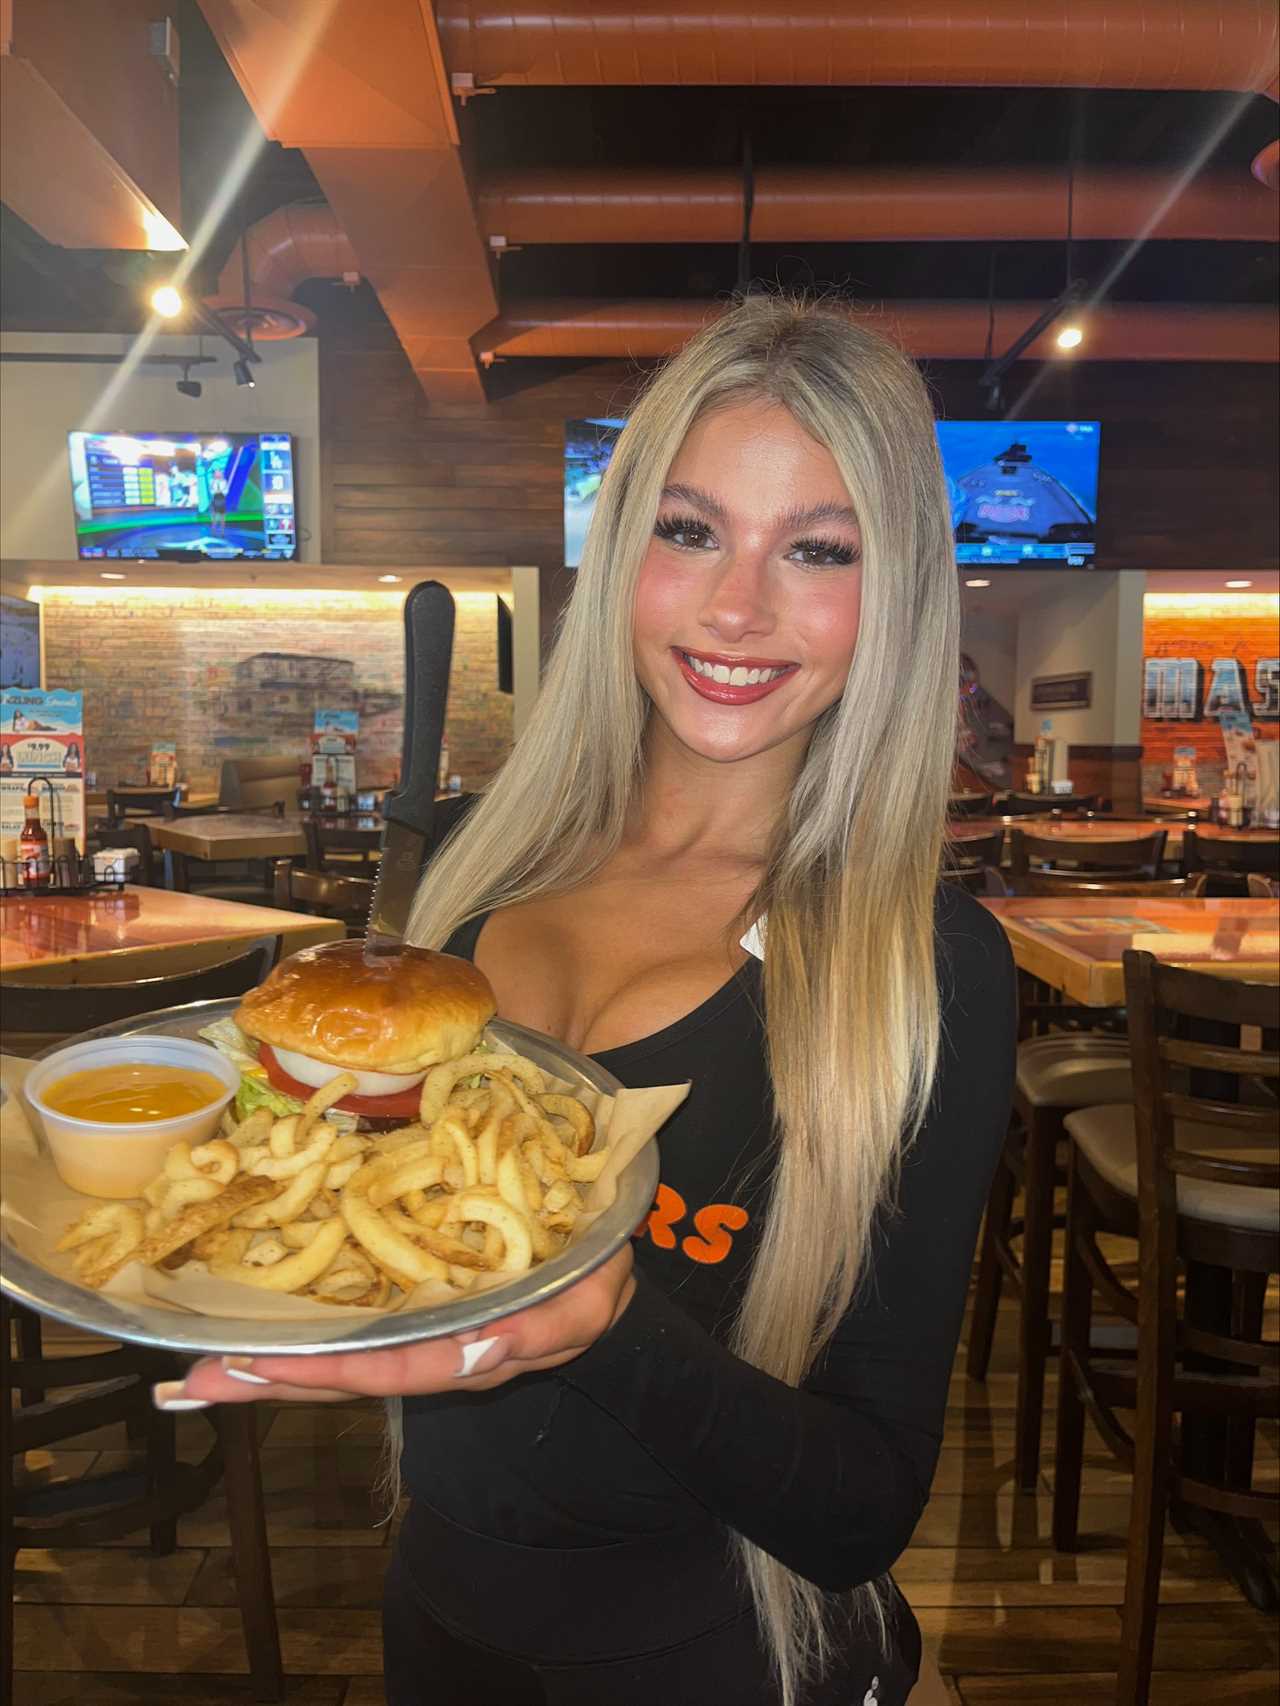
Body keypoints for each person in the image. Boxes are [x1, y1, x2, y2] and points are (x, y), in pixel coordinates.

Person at [159, 296, 1016, 1706]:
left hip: (726, 1663)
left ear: (899, 591)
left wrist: (610, 1328)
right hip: (438, 1626)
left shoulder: (919, 964)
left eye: (816, 549)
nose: (738, 606)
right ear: (624, 553)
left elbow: (864, 1506)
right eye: (692, 531)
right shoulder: (481, 881)